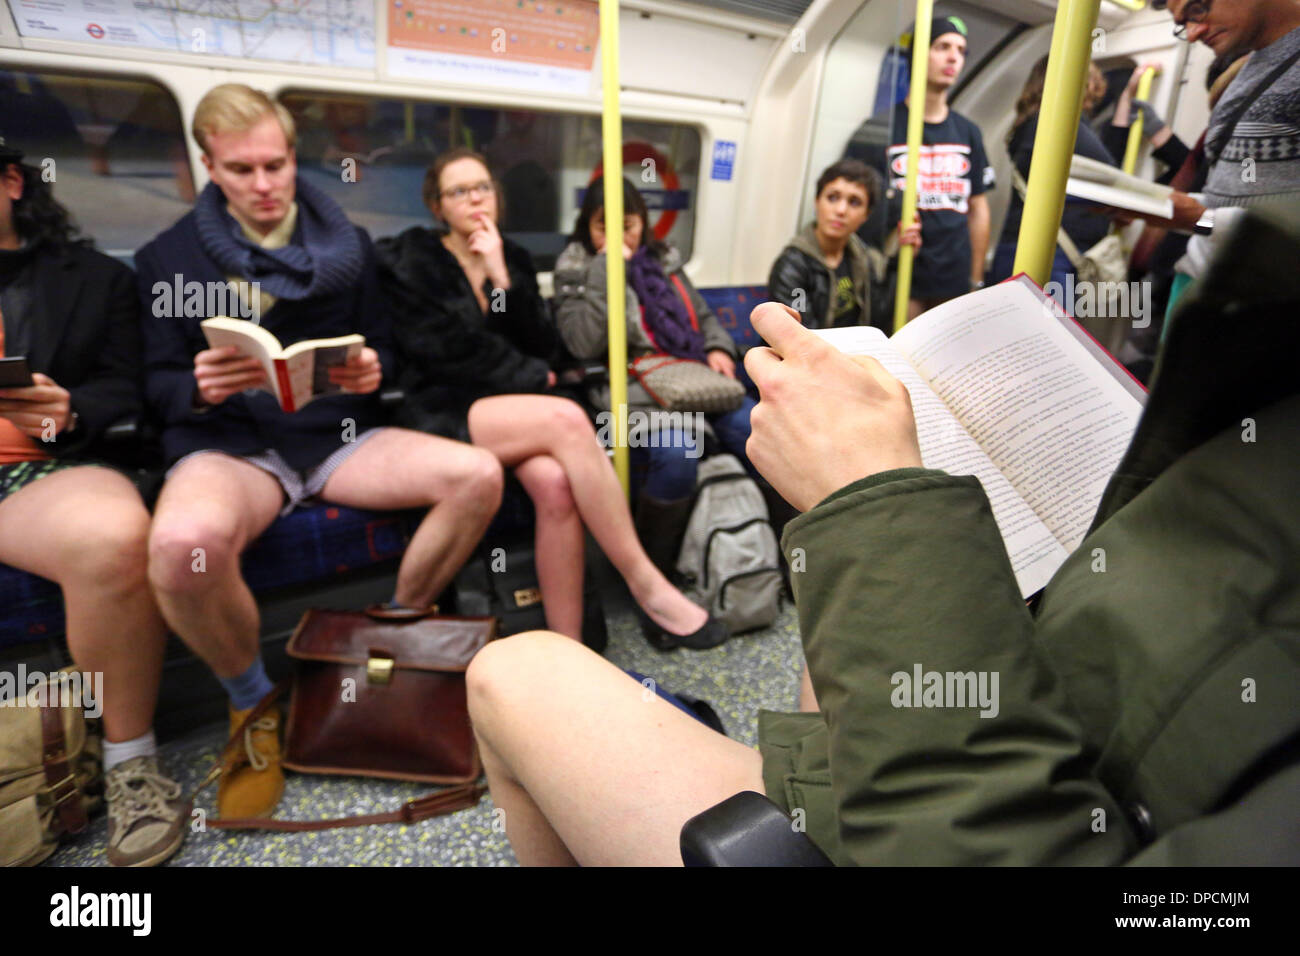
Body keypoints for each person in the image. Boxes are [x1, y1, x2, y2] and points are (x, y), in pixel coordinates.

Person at [461, 199, 1300, 867]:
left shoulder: (703, 269)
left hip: (961, 808)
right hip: (1021, 732)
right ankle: (662, 581)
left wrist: (874, 499)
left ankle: (676, 580)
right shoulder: (576, 270)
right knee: (684, 469)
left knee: (512, 671)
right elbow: (553, 347)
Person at [136, 85, 504, 821]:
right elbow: (153, 385)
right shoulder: (167, 258)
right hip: (235, 444)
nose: (265, 185)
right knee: (181, 546)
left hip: (335, 434)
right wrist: (199, 388)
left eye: (276, 164)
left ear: (294, 157)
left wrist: (374, 372)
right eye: (242, 171)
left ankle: (389, 638)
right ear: (209, 166)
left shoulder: (349, 247)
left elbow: (388, 356)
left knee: (478, 475)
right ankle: (252, 706)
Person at [376, 148, 724, 651]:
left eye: (483, 188)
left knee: (557, 484)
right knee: (565, 415)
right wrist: (537, 377)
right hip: (441, 405)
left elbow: (545, 343)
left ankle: (570, 648)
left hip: (514, 412)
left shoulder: (512, 257)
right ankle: (646, 584)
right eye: (459, 191)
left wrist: (503, 278)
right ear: (437, 206)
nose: (475, 199)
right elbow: (443, 352)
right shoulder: (411, 258)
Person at [0, 138, 184, 866]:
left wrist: (67, 410)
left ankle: (129, 759)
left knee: (113, 537)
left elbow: (125, 387)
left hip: (33, 470)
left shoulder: (97, 278)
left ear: (12, 182)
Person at [553, 175, 756, 572]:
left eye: (626, 226)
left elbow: (701, 314)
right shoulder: (575, 268)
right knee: (679, 453)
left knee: (756, 428)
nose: (618, 237)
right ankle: (653, 571)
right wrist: (605, 269)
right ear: (587, 228)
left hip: (691, 378)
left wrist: (716, 346)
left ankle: (765, 554)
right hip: (629, 387)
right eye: (603, 227)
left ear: (642, 223)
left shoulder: (664, 262)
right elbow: (582, 343)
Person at [1131, 0, 1300, 316]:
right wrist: (1162, 208)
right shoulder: (1246, 74)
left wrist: (1196, 216)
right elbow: (1226, 201)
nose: (1193, 34)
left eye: (1197, 8)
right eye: (1183, 23)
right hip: (1205, 289)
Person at [845, 15, 994, 319]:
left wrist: (976, 280)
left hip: (954, 276)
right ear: (918, 54)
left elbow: (978, 209)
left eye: (960, 50)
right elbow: (855, 204)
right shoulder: (880, 130)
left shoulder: (968, 133)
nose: (953, 56)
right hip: (900, 274)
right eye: (942, 46)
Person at [988, 58, 1120, 292]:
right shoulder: (1054, 121)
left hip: (1030, 247)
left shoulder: (1030, 124)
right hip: (1048, 254)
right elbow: (1109, 173)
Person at [767, 159, 914, 331]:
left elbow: (878, 319)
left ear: (866, 215)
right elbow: (800, 335)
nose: (841, 210)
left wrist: (900, 259)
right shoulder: (792, 267)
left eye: (854, 202)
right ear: (817, 202)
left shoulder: (865, 260)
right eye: (832, 198)